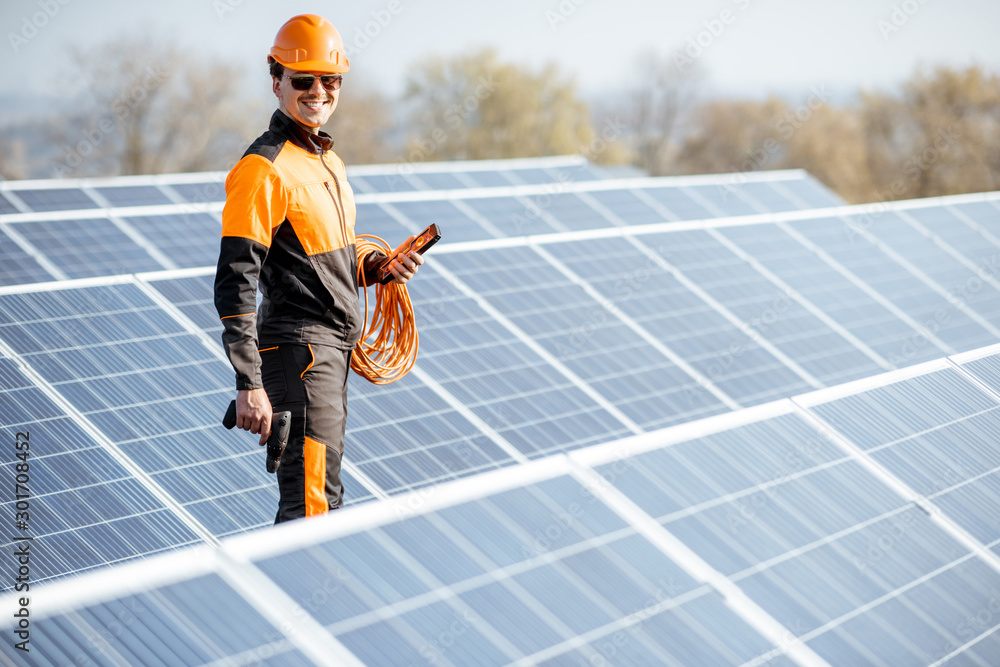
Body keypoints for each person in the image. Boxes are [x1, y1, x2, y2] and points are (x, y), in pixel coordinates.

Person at [214, 14, 422, 523]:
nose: (318, 91)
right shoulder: (262, 168)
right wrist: (249, 382)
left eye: (330, 81)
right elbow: (235, 278)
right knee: (311, 501)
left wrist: (377, 267)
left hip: (330, 350)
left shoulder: (328, 162)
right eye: (303, 80)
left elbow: (323, 259)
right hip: (300, 351)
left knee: (324, 497)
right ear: (277, 81)